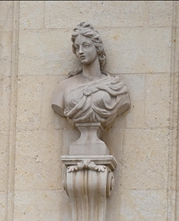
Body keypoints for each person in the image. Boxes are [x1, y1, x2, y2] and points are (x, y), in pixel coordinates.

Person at [51, 23, 129, 155]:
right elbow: (58, 105)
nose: (80, 51)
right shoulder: (63, 87)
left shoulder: (116, 87)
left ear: (97, 48)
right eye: (77, 47)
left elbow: (124, 103)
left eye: (86, 46)